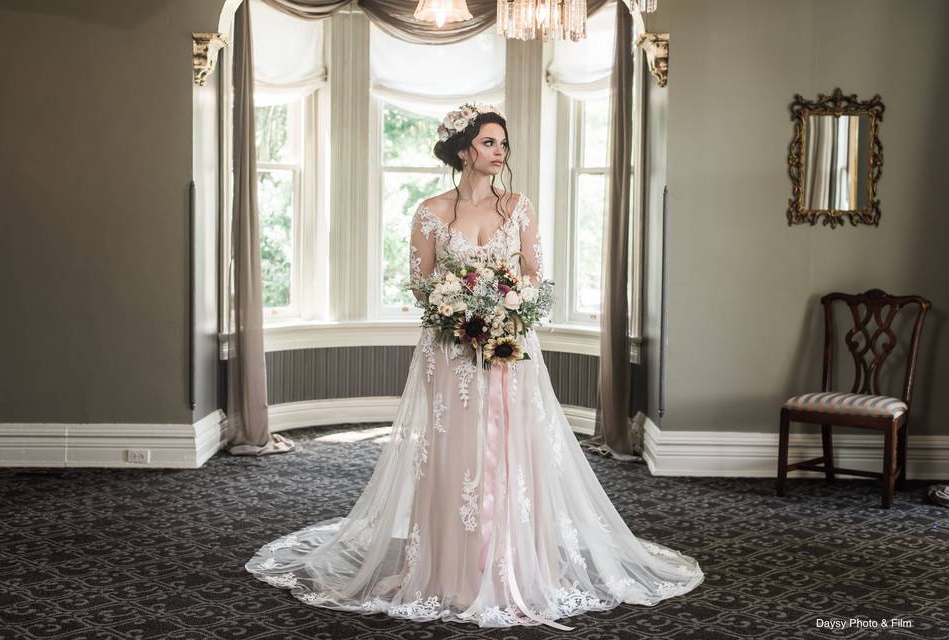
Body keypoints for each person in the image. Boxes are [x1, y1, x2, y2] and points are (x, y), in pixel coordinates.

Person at [245, 103, 703, 629]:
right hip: (452, 352)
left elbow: (534, 275)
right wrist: (461, 308)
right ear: (464, 150)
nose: (500, 151)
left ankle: (514, 564)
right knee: (456, 452)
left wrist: (504, 307)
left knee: (514, 449)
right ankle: (452, 569)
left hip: (512, 347)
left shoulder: (518, 208)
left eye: (503, 143)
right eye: (489, 142)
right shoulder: (431, 211)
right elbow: (420, 285)